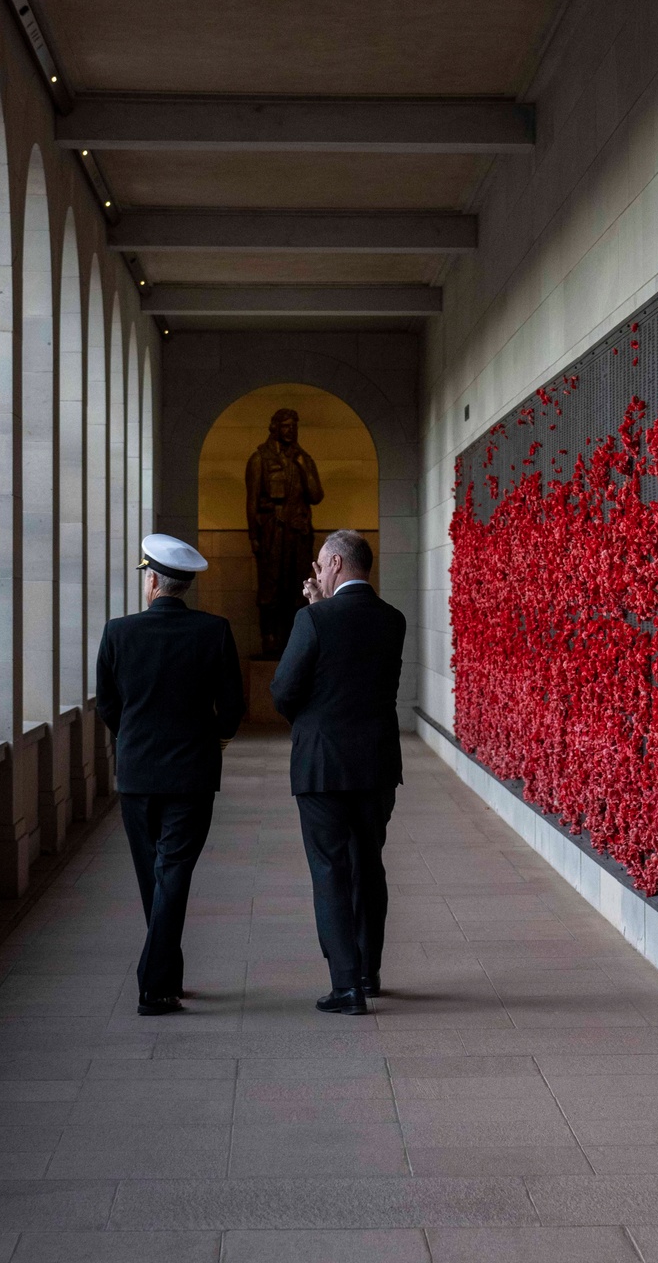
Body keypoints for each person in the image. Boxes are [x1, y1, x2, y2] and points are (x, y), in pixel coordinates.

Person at [96, 533, 245, 1016]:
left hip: (138, 775)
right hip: (193, 774)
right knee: (173, 874)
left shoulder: (118, 633)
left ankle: (160, 977)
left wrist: (134, 740)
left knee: (153, 877)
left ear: (153, 581)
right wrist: (213, 741)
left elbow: (109, 706)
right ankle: (160, 982)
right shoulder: (214, 630)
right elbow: (233, 707)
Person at [270, 529, 406, 1016]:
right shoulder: (394, 620)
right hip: (376, 764)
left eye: (320, 565)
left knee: (329, 869)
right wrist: (316, 608)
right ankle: (368, 971)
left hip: (322, 766)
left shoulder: (313, 619)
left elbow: (284, 690)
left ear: (331, 564)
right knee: (368, 865)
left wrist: (311, 611)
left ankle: (346, 985)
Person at [245, 407, 324, 656]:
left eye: (294, 426)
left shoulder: (304, 459)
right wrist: (254, 537)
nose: (291, 431)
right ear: (275, 428)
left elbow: (316, 495)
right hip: (272, 532)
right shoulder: (260, 459)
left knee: (298, 588)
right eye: (286, 426)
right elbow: (252, 500)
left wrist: (302, 466)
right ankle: (268, 639)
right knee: (270, 587)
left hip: (299, 533)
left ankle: (295, 640)